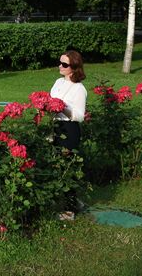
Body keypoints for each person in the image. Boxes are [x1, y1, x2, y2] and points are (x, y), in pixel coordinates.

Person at [50, 49, 87, 220]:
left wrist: (62, 108)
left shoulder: (79, 89)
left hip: (70, 129)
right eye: (60, 62)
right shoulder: (58, 82)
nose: (60, 66)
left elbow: (79, 115)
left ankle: (69, 211)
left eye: (64, 64)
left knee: (67, 169)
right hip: (56, 126)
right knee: (57, 166)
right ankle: (75, 202)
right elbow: (51, 100)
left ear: (74, 67)